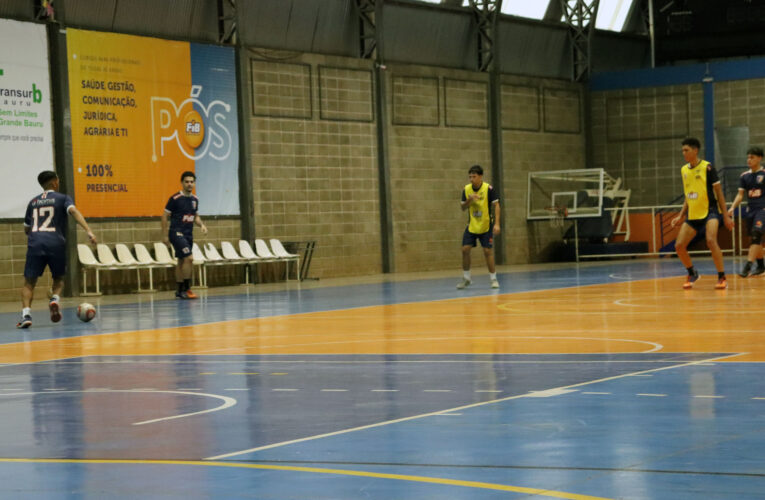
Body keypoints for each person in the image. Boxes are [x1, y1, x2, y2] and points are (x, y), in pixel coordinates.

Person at [17, 171, 96, 329]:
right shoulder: (63, 198)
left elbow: (26, 229)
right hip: (56, 243)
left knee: (29, 283)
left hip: (36, 243)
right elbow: (73, 212)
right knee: (59, 278)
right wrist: (88, 231)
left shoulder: (32, 202)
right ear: (54, 182)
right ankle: (54, 299)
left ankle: (26, 315)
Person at [670, 137, 734, 289]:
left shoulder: (707, 168)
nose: (684, 153)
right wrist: (681, 215)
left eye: (686, 150)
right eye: (683, 151)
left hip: (710, 211)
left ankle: (721, 277)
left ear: (695, 150)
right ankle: (692, 273)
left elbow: (719, 193)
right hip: (693, 214)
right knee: (679, 246)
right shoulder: (684, 170)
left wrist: (725, 215)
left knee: (711, 240)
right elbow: (688, 195)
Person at [161, 171, 208, 299]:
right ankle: (187, 289)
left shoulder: (195, 199)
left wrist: (201, 225)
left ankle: (179, 289)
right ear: (182, 183)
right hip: (176, 232)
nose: (189, 184)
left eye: (191, 182)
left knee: (181, 260)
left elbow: (195, 216)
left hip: (188, 234)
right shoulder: (175, 198)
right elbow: (164, 216)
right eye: (187, 182)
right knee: (189, 258)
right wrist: (165, 235)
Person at [457, 164, 501, 289]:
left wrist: (497, 224)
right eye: (470, 177)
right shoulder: (466, 189)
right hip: (472, 225)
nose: (471, 179)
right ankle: (466, 278)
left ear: (480, 176)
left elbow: (497, 205)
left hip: (486, 225)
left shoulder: (489, 189)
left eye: (474, 176)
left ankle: (493, 279)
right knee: (465, 249)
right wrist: (469, 200)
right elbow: (463, 207)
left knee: (487, 251)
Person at [728, 146, 765, 277]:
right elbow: (740, 195)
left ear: (759, 158)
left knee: (756, 234)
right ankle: (761, 266)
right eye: (748, 157)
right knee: (755, 238)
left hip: (762, 209)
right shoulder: (744, 176)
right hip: (750, 210)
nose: (749, 160)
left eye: (752, 157)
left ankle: (747, 267)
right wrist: (732, 207)